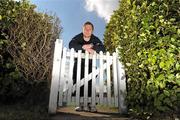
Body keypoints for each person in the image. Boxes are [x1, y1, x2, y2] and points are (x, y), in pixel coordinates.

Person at [69, 21, 106, 112]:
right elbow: (71, 45)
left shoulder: (95, 39)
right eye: (86, 29)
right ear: (83, 29)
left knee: (91, 83)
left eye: (89, 29)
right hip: (78, 64)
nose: (87, 30)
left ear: (92, 31)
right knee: (78, 82)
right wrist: (83, 47)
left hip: (90, 65)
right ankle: (79, 104)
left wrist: (93, 48)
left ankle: (91, 104)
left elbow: (102, 48)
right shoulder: (78, 37)